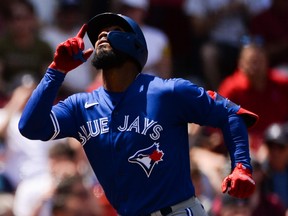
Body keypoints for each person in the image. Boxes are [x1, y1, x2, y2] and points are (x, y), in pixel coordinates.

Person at [18, 12, 258, 216]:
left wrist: (242, 167)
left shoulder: (168, 91)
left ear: (135, 44)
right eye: (98, 34)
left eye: (113, 31)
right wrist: (56, 71)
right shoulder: (80, 106)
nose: (101, 36)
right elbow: (30, 126)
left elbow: (231, 113)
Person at [218, 42, 288, 159]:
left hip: (280, 145)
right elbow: (217, 129)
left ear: (267, 61)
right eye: (251, 62)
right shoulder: (231, 89)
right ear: (240, 64)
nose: (256, 67)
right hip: (246, 150)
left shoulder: (280, 84)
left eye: (259, 61)